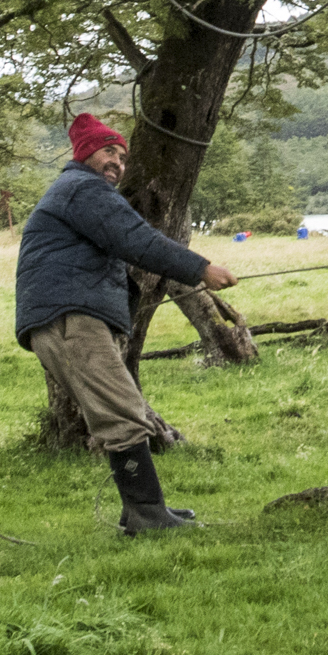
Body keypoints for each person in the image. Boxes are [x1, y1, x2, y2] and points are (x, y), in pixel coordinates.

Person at [15, 112, 238, 534]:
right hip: (70, 319)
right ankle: (147, 515)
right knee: (122, 414)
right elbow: (136, 239)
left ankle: (141, 511)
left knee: (120, 411)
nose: (117, 160)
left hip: (65, 316)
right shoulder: (83, 188)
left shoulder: (77, 190)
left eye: (121, 154)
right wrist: (201, 269)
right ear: (85, 155)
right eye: (107, 152)